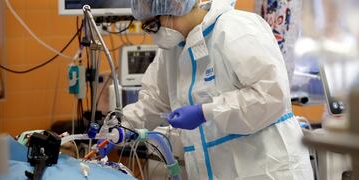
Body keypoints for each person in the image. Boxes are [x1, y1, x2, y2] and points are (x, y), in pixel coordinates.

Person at [123, 0, 314, 179]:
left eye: (153, 25)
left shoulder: (235, 28)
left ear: (174, 5)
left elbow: (270, 96)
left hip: (268, 169)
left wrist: (205, 112)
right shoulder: (171, 52)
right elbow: (154, 103)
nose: (152, 34)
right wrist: (122, 126)